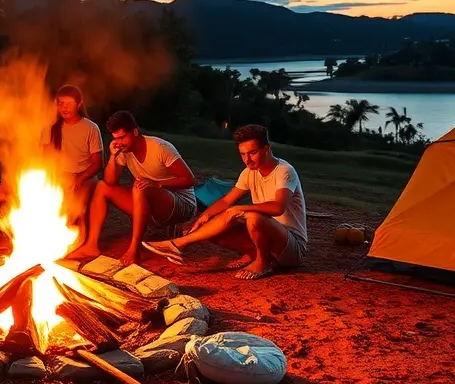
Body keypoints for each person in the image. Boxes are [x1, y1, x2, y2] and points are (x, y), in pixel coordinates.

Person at [142, 124, 307, 280]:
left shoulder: (285, 171)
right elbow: (227, 200)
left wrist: (239, 209)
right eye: (243, 154)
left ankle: (262, 262)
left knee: (253, 217)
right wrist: (204, 217)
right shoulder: (249, 172)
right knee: (211, 226)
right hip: (267, 239)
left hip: (291, 248)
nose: (247, 160)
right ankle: (253, 254)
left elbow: (278, 207)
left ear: (267, 148)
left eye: (252, 153)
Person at [67, 110, 198, 266]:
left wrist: (158, 184)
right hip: (150, 203)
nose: (119, 142)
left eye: (122, 137)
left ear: (135, 132)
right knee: (102, 187)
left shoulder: (160, 148)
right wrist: (113, 156)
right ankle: (91, 246)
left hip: (181, 204)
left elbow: (190, 180)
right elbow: (110, 181)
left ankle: (134, 250)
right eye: (116, 138)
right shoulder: (124, 151)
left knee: (139, 186)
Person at [42, 85, 103, 247]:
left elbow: (98, 163)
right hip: (61, 176)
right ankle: (52, 240)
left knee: (77, 206)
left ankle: (81, 243)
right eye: (60, 103)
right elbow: (46, 158)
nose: (64, 108)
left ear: (79, 104)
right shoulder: (52, 127)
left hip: (85, 176)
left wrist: (80, 178)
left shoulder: (90, 128)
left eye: (68, 103)